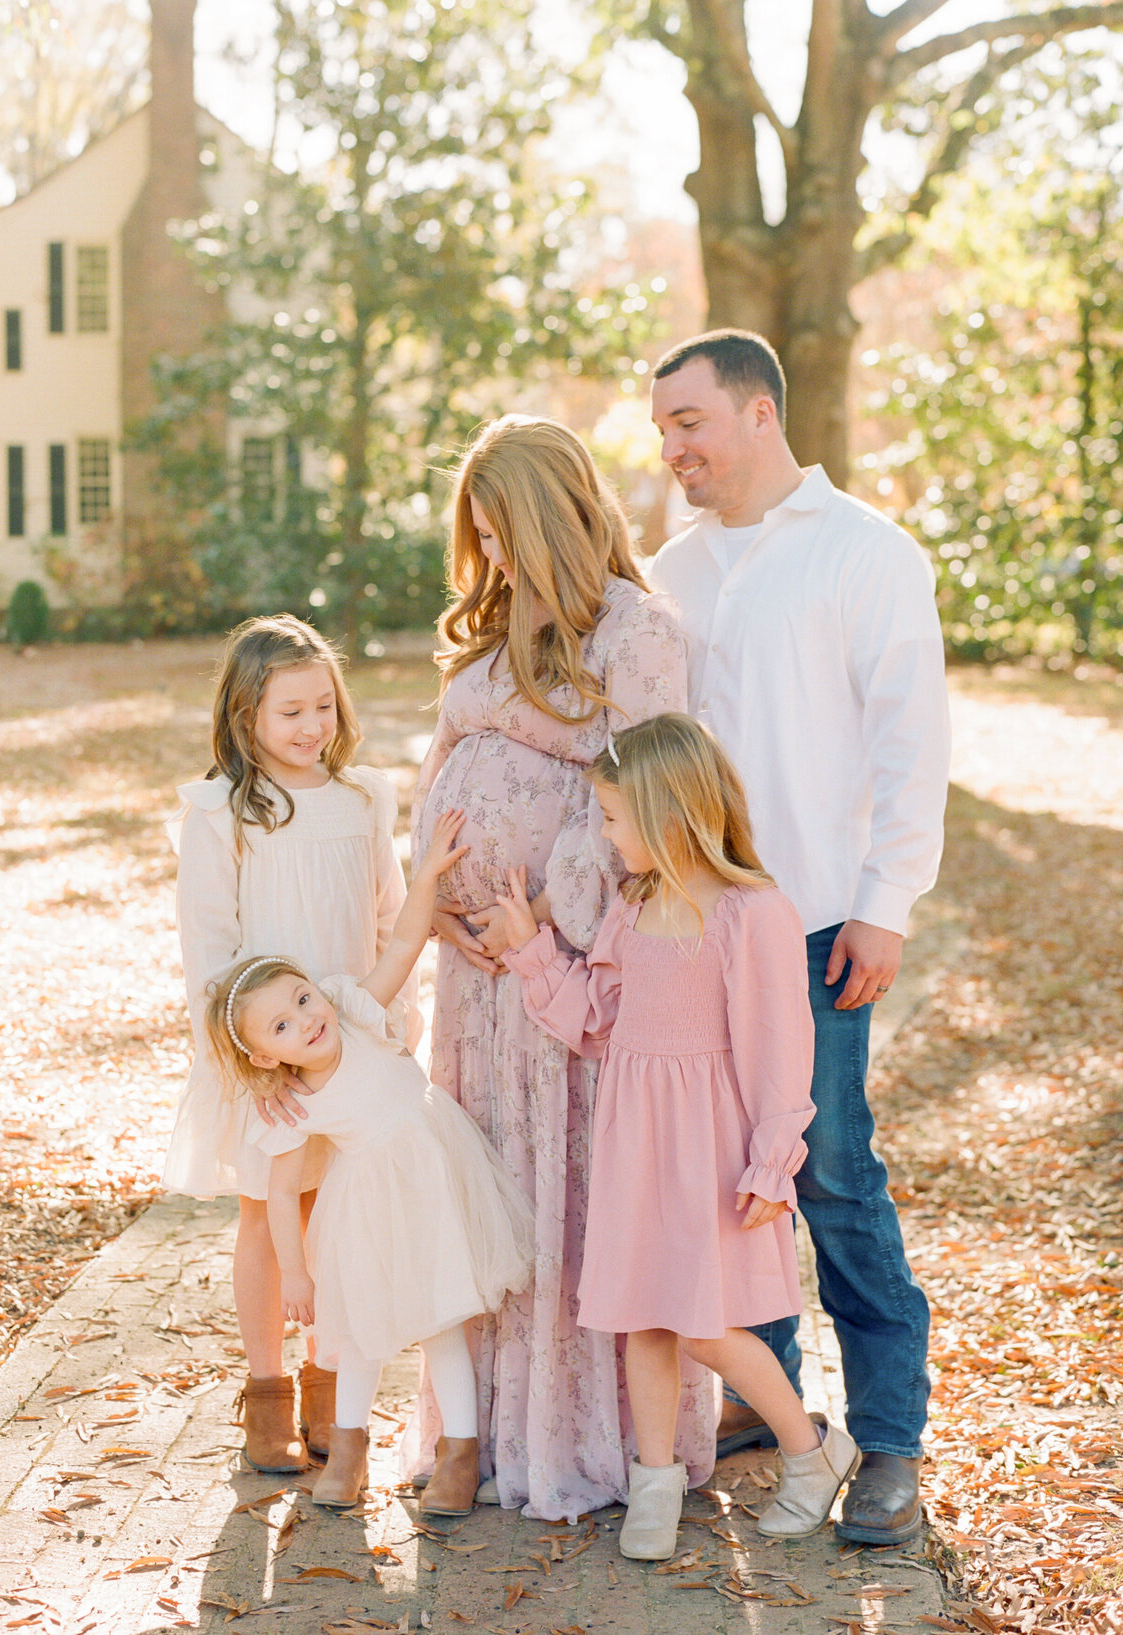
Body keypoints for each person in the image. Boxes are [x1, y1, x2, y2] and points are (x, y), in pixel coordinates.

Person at [647, 329, 950, 1545]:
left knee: (829, 1173)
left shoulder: (865, 553)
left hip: (820, 920)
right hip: (695, 927)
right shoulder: (669, 569)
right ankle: (774, 1408)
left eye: (690, 422)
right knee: (730, 1178)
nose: (673, 447)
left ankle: (887, 1441)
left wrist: (887, 899)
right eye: (662, 428)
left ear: (760, 412)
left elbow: (909, 737)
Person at [410, 415, 715, 1522]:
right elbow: (442, 767)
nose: (487, 556)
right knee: (485, 1196)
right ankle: (476, 1431)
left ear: (551, 518)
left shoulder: (635, 631)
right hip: (472, 982)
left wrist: (538, 910)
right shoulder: (490, 632)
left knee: (565, 1201)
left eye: (502, 533)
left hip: (561, 970)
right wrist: (435, 895)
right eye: (476, 536)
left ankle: (579, 1445)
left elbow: (650, 789)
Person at [496, 714, 861, 1558]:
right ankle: (653, 1481)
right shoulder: (638, 904)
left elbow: (779, 1048)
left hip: (707, 1148)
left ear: (669, 814)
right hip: (636, 1142)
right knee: (642, 1319)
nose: (606, 835)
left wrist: (775, 1158)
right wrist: (531, 951)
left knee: (702, 1322)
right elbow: (598, 1020)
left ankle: (812, 1453)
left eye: (615, 819)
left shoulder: (750, 911)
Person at [204, 807, 534, 1518]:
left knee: (443, 1320)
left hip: (437, 1179)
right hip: (366, 1207)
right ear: (267, 1055)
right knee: (356, 1333)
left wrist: (426, 875)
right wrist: (294, 1271)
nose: (307, 1017)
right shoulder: (290, 1103)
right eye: (283, 1024)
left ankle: (460, 1454)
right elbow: (283, 1186)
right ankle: (348, 1452)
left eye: (301, 996)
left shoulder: (354, 1010)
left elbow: (406, 942)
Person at [162, 613, 420, 1476]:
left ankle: (330, 1386)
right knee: (269, 1222)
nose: (313, 727)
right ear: (246, 720)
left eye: (323, 706)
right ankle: (266, 1393)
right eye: (290, 712)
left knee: (338, 1219)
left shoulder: (361, 798)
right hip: (267, 1056)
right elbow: (208, 952)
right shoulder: (222, 814)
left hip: (345, 1044)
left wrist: (399, 1020)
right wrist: (248, 1063)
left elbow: (388, 915)